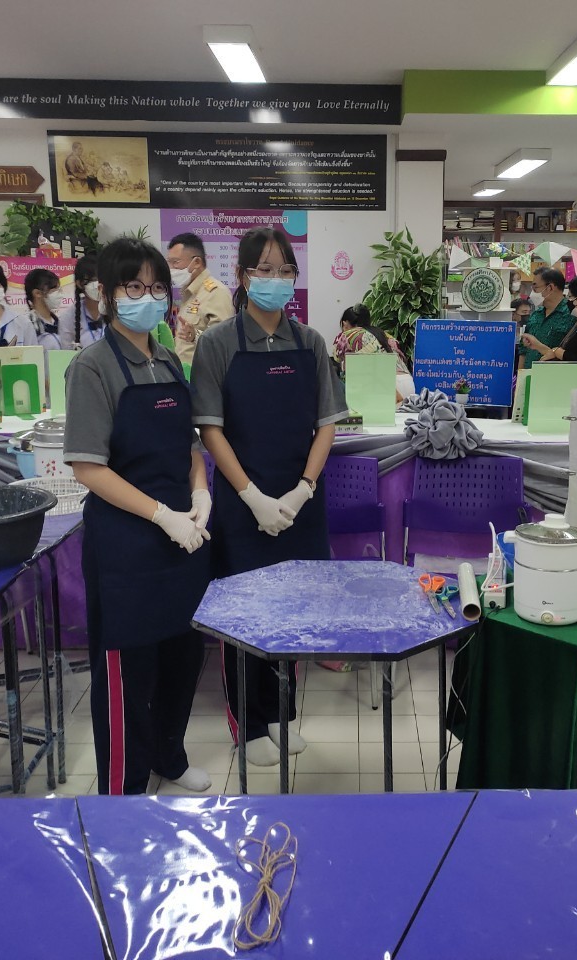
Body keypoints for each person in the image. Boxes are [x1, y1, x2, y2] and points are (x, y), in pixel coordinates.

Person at [191, 227, 347, 768]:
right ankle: (249, 722)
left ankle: (281, 713)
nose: (275, 279)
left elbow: (327, 423)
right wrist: (252, 496)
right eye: (264, 269)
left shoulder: (310, 343)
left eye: (285, 270)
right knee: (245, 614)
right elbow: (210, 429)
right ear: (242, 276)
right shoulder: (217, 343)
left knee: (294, 609)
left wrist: (304, 489)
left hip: (301, 499)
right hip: (244, 501)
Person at [63, 237, 213, 795]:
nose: (146, 297)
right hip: (126, 545)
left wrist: (200, 493)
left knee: (182, 656)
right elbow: (87, 467)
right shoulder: (93, 367)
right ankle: (123, 788)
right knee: (129, 673)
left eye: (155, 287)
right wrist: (160, 515)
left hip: (183, 539)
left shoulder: (168, 360)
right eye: (133, 287)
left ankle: (169, 756)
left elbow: (189, 443)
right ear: (107, 294)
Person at [521, 274, 577, 389]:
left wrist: (557, 351)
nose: (568, 301)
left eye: (570, 297)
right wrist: (538, 346)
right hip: (568, 386)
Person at [166, 232, 234, 370]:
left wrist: (195, 336)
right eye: (169, 263)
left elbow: (224, 342)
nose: (171, 268)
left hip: (205, 377)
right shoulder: (189, 294)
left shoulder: (216, 293)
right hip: (185, 375)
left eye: (176, 262)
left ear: (196, 262)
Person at [332, 302, 416, 399]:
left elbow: (336, 358)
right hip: (407, 381)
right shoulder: (383, 334)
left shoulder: (347, 335)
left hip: (386, 385)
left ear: (344, 323)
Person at [518, 267, 574, 368]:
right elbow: (523, 351)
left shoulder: (571, 315)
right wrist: (520, 374)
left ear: (550, 287)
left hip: (554, 374)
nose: (532, 294)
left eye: (535, 288)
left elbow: (572, 356)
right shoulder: (536, 314)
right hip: (529, 374)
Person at [24, 268, 64, 352]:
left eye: (59, 290)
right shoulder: (27, 324)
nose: (60, 295)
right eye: (54, 290)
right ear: (37, 293)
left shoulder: (60, 322)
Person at [72, 255, 107, 349]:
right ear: (79, 284)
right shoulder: (69, 317)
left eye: (100, 279)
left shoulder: (115, 312)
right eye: (93, 280)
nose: (97, 284)